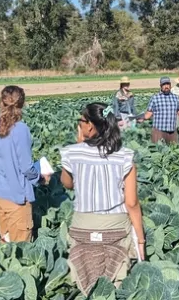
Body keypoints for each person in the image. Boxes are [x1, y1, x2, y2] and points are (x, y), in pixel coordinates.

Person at [60, 103, 144, 295]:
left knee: (85, 284)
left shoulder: (72, 152)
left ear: (90, 126)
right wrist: (140, 240)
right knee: (116, 283)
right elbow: (131, 203)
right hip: (115, 229)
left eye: (81, 120)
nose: (79, 124)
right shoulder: (124, 156)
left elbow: (67, 183)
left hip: (82, 228)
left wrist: (79, 143)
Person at [0, 86, 51, 243]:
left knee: (6, 242)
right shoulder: (21, 130)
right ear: (22, 104)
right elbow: (26, 168)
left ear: (1, 101)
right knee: (21, 250)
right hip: (17, 199)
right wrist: (42, 178)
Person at [141, 77, 179, 144]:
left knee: (173, 151)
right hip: (159, 131)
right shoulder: (155, 98)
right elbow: (149, 113)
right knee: (158, 152)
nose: (166, 86)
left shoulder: (175, 98)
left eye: (167, 84)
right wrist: (142, 117)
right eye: (164, 84)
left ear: (170, 85)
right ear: (161, 86)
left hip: (172, 132)